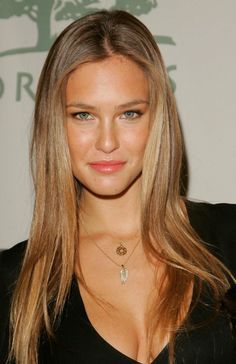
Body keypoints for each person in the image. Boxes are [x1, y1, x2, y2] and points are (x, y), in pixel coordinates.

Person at [0, 9, 235, 364]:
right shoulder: (14, 284)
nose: (107, 141)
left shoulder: (229, 238)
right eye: (83, 115)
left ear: (157, 119)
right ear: (54, 125)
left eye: (129, 114)